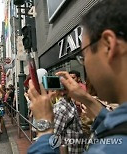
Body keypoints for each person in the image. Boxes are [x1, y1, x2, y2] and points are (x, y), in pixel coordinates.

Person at [27, 0, 127, 153]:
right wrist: (87, 100)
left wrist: (44, 125)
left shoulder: (107, 149)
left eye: (83, 54)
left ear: (108, 45)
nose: (84, 63)